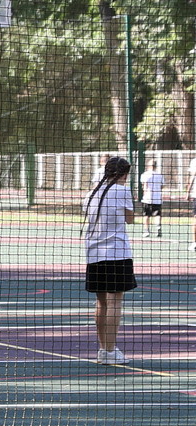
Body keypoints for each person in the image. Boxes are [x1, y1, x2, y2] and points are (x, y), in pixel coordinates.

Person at [84, 156, 136, 365]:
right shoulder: (122, 190)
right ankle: (110, 350)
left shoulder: (90, 193)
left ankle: (103, 350)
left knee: (101, 302)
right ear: (124, 174)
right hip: (116, 252)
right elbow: (130, 219)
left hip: (93, 253)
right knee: (115, 301)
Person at [139, 159, 166, 238]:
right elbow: (162, 186)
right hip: (157, 198)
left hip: (147, 198)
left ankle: (146, 231)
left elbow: (144, 186)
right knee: (157, 214)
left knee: (146, 215)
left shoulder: (145, 175)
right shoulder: (160, 175)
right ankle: (158, 228)